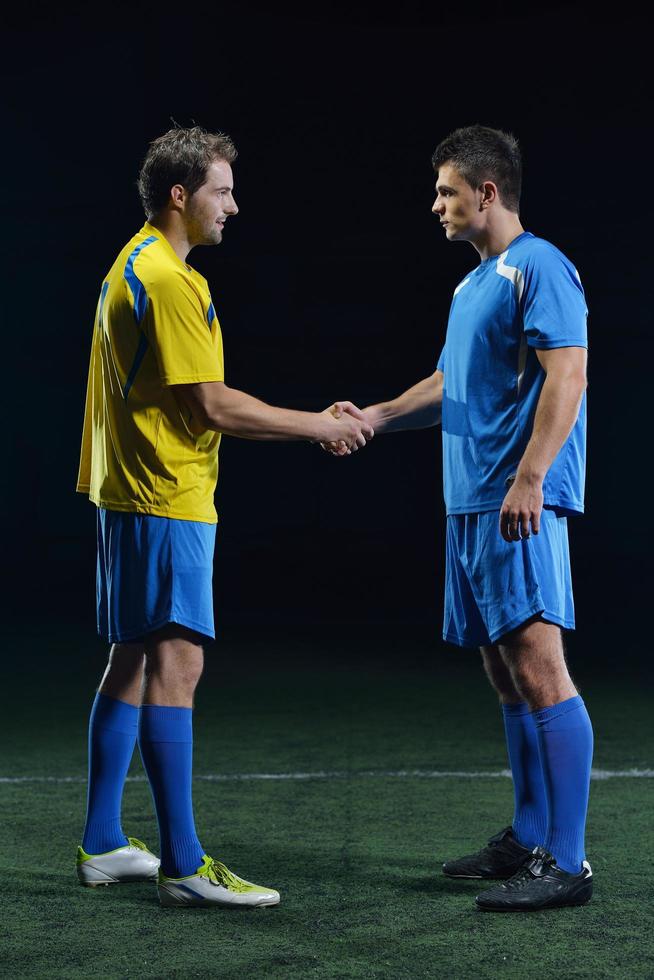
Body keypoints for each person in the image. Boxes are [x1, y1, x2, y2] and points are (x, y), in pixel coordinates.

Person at [76, 125, 373, 909]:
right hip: (164, 495)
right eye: (222, 190)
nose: (233, 205)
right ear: (182, 195)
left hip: (129, 493)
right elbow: (211, 405)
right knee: (177, 663)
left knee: (133, 659)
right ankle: (184, 865)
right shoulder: (170, 279)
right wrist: (320, 423)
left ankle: (104, 841)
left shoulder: (132, 260)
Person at [326, 125, 593, 912]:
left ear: (486, 192)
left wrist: (531, 478)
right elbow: (451, 382)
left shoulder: (537, 266)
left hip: (517, 501)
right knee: (503, 669)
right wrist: (373, 414)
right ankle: (529, 834)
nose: (435, 204)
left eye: (446, 191)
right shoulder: (470, 286)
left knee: (541, 668)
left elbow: (568, 374)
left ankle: (568, 863)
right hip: (470, 502)